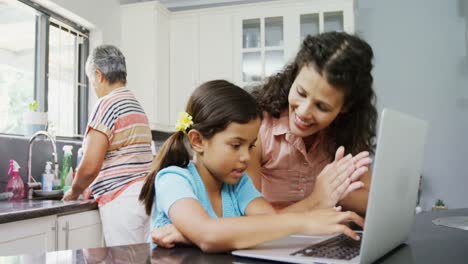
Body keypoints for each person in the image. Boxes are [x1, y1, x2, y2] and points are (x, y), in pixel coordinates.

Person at [139, 80, 364, 252]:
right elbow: (208, 235)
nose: (247, 157)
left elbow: (270, 224)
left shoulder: (238, 184)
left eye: (251, 145)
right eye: (236, 145)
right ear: (198, 141)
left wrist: (190, 236)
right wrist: (304, 222)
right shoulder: (174, 180)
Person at [248, 31, 377, 215]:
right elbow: (248, 223)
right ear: (294, 75)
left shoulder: (347, 132)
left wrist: (336, 189)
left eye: (322, 106)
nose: (303, 112)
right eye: (301, 93)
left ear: (345, 107)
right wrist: (318, 199)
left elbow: (369, 203)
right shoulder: (256, 128)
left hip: (319, 237)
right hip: (269, 239)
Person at [63, 45, 153, 247]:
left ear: (98, 75)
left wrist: (75, 191)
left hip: (121, 201)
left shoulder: (107, 104)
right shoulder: (134, 104)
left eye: (91, 81)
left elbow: (90, 166)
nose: (93, 87)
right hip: (144, 197)